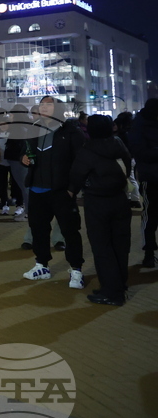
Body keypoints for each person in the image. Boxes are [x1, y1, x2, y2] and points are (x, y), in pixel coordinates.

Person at [20, 96, 87, 287]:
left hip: (61, 190)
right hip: (37, 189)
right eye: (42, 104)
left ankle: (76, 270)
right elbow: (24, 151)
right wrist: (23, 158)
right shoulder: (34, 129)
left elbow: (81, 162)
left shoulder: (71, 131)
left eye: (49, 104)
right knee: (39, 229)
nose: (44, 107)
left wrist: (73, 189)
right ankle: (41, 265)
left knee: (70, 231)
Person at [70, 115, 133, 306]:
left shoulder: (87, 150)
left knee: (102, 247)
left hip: (97, 202)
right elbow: (128, 166)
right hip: (120, 200)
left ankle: (111, 292)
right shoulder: (118, 144)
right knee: (120, 245)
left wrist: (71, 192)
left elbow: (76, 176)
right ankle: (118, 285)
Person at [128, 98, 158, 268]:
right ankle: (149, 252)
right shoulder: (139, 125)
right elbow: (140, 152)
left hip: (151, 173)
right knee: (150, 215)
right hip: (150, 177)